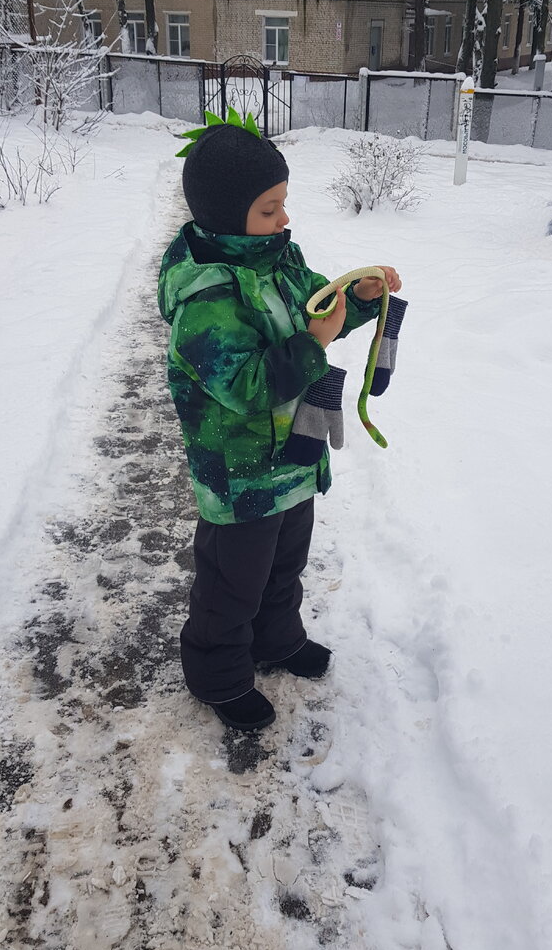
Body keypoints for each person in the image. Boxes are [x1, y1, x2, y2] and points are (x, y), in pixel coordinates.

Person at [158, 122, 402, 733]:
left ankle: (276, 639)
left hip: (294, 453)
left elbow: (320, 310)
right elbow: (245, 387)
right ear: (226, 214)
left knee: (285, 563)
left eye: (284, 202)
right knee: (232, 582)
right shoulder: (205, 300)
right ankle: (218, 674)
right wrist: (310, 345)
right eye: (269, 208)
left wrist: (361, 297)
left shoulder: (278, 257)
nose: (282, 216)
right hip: (240, 476)